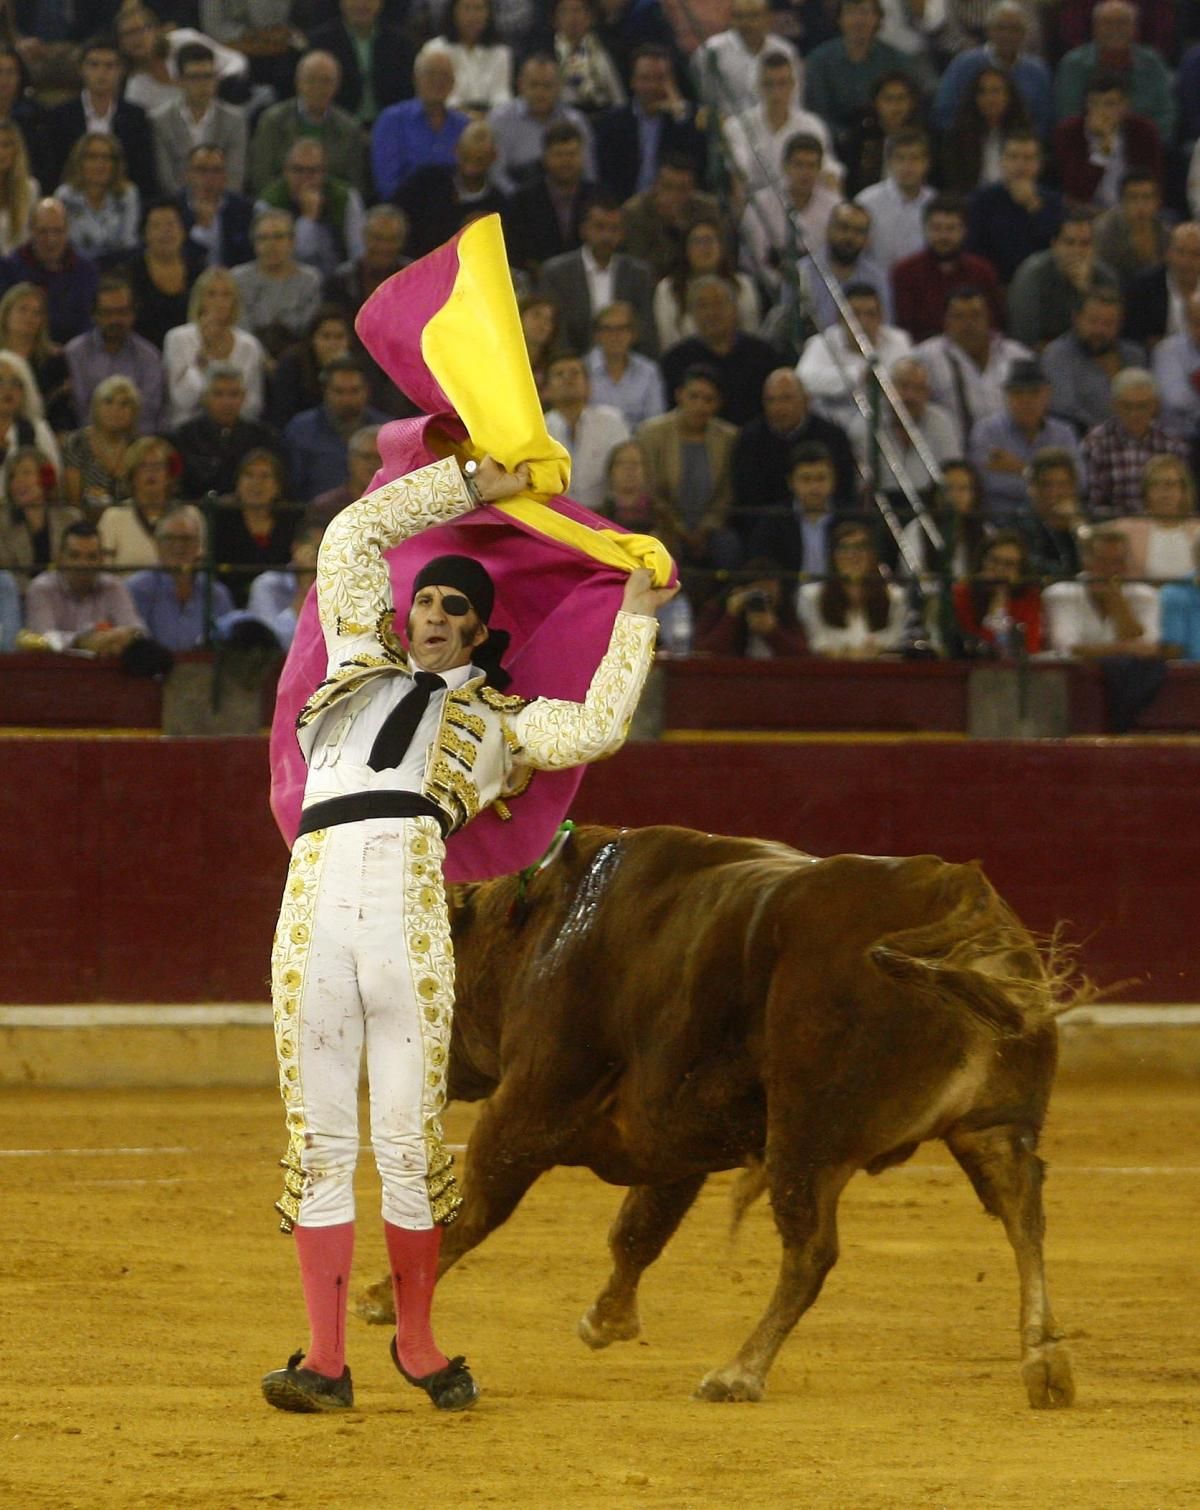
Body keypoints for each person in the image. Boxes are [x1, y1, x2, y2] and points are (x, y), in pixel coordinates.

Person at [259, 451, 669, 1416]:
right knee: (317, 1139)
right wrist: (468, 483)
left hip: (407, 910)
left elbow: (603, 724)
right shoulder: (356, 657)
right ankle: (323, 1361)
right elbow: (354, 537)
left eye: (453, 610)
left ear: (482, 632)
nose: (432, 616)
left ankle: (416, 1341)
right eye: (426, 604)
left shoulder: (506, 723)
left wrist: (640, 611)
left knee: (407, 1137)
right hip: (311, 904)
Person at [635, 363, 740, 569]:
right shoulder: (651, 434)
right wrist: (679, 529)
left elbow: (726, 493)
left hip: (711, 527)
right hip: (664, 523)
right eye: (694, 396)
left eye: (708, 399)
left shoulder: (728, 437)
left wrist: (705, 529)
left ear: (717, 404)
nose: (700, 405)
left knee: (729, 547)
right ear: (679, 395)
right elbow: (651, 490)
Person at [731, 367, 858, 536]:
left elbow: (844, 490)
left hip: (828, 526)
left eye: (786, 399)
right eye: (771, 400)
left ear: (806, 400)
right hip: (767, 527)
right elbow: (746, 496)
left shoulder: (832, 436)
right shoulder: (750, 438)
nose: (778, 407)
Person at [536, 195, 656, 357]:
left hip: (625, 366)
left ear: (622, 234)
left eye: (614, 229)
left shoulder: (639, 274)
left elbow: (645, 330)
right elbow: (556, 331)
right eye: (599, 227)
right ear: (584, 230)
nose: (607, 236)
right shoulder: (556, 273)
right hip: (571, 363)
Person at [968, 358, 1080, 525]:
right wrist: (1050, 485)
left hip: (1054, 523)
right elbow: (986, 482)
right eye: (1018, 393)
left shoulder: (1063, 433)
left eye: (1034, 392)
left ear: (1047, 394)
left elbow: (1080, 481)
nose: (1026, 401)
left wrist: (1023, 469)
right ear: (1006, 396)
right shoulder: (987, 431)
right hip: (1000, 524)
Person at [43, 34, 157, 198]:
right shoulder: (60, 116)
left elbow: (144, 174)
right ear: (81, 69)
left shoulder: (135, 117)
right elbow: (53, 171)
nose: (101, 72)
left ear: (120, 71)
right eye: (94, 65)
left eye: (109, 66)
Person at [659, 276, 779, 427]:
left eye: (719, 304)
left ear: (735, 310)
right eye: (703, 306)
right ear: (692, 314)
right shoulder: (674, 360)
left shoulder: (764, 355)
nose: (712, 313)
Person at [592, 42, 705, 202]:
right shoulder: (613, 122)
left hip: (677, 205)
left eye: (660, 78)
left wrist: (679, 116)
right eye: (645, 78)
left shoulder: (689, 118)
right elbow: (606, 177)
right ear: (632, 81)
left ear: (672, 81)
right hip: (625, 208)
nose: (652, 86)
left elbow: (695, 165)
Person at [916, 285, 1032, 441]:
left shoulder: (1018, 356)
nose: (968, 324)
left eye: (976, 315)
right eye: (959, 316)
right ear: (946, 320)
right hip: (953, 454)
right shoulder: (926, 357)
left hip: (1009, 452)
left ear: (988, 317)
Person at [1052, 0, 1175, 144]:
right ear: (1095, 28)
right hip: (1085, 148)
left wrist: (1147, 141)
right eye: (1107, 23)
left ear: (1134, 28)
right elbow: (1067, 113)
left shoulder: (1152, 62)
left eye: (1122, 23)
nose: (1115, 29)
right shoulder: (1072, 64)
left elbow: (1166, 113)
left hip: (1144, 147)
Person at [721, 49, 838, 199]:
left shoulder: (812, 125)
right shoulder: (737, 126)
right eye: (768, 84)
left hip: (802, 204)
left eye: (782, 83)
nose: (776, 92)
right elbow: (739, 177)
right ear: (756, 86)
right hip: (758, 210)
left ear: (793, 85)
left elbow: (829, 173)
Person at [248, 51, 368, 197]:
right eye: (311, 80)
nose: (318, 88)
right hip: (280, 207)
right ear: (298, 82)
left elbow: (354, 186)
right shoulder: (272, 121)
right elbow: (261, 177)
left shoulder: (350, 128)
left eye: (326, 81)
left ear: (337, 85)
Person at [738, 131, 841, 298]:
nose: (805, 173)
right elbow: (755, 259)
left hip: (819, 291)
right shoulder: (760, 204)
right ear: (785, 166)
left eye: (811, 165)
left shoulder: (833, 207)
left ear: (820, 168)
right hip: (766, 290)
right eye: (798, 165)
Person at [796, 282, 911, 430]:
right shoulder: (823, 342)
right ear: (840, 317)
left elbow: (908, 383)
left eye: (871, 314)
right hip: (834, 426)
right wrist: (858, 375)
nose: (863, 322)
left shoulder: (899, 341)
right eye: (855, 314)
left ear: (881, 316)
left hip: (886, 426)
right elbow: (803, 380)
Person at [22, 517, 145, 654]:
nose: (83, 564)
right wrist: (82, 641)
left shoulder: (113, 586)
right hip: (55, 672)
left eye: (91, 557)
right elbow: (43, 639)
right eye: (75, 556)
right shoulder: (41, 589)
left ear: (101, 560)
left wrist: (119, 636)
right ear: (60, 558)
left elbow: (138, 632)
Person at [163, 264, 267, 427]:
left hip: (236, 431)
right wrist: (204, 354)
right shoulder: (178, 339)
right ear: (200, 300)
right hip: (188, 431)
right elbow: (183, 401)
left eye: (226, 295)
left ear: (234, 301)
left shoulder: (249, 345)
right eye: (211, 294)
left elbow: (253, 405)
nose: (219, 302)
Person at [931, 0, 1053, 138]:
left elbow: (1044, 121)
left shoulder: (1037, 71)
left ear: (1024, 33)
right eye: (1000, 28)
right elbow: (943, 112)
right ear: (988, 30)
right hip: (969, 143)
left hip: (1021, 148)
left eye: (1014, 29)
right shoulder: (964, 64)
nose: (1007, 34)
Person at [891, 196, 1003, 344]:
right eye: (937, 228)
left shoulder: (982, 271)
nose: (943, 236)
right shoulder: (905, 272)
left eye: (951, 229)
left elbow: (995, 323)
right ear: (925, 229)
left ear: (964, 231)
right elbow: (904, 328)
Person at [1080, 368, 1188, 519]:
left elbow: (1183, 500)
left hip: (1162, 526)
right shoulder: (1096, 442)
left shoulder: (1172, 443)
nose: (1134, 413)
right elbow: (1092, 501)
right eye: (1127, 406)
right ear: (1115, 405)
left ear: (1155, 405)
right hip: (1113, 531)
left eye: (1142, 406)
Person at [255, 138, 366, 284]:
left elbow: (358, 253)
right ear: (286, 171)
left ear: (324, 172)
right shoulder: (269, 202)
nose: (305, 179)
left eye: (313, 171)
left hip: (339, 282)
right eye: (298, 170)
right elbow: (278, 256)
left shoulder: (346, 198)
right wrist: (308, 218)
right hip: (287, 282)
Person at [803, 0, 914, 144]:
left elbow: (908, 105)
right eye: (851, 12)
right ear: (839, 19)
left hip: (887, 140)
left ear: (878, 18)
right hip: (836, 143)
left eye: (865, 12)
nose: (858, 20)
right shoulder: (819, 61)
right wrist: (847, 138)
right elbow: (816, 114)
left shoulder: (896, 60)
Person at [64, 275, 165, 435]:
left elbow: (149, 413)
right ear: (94, 315)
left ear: (133, 313)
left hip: (136, 445)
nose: (115, 319)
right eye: (107, 313)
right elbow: (80, 409)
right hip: (88, 444)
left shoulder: (149, 356)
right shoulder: (75, 353)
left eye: (122, 312)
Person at [1006, 211, 1120, 351]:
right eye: (1069, 243)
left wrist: (1085, 290)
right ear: (1055, 244)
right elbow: (1024, 339)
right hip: (1043, 356)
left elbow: (1113, 332)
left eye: (1085, 244)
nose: (1077, 251)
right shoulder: (1032, 275)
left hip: (1095, 351)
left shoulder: (1106, 276)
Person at [128, 503, 235, 650]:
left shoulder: (216, 593)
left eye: (186, 539)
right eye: (170, 538)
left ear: (198, 546)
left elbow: (229, 644)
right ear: (157, 544)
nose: (178, 546)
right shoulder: (137, 589)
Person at [1042, 524, 1160, 656]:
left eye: (1117, 562)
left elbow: (1149, 648)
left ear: (1127, 565)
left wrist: (1116, 600)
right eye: (1102, 561)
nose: (1110, 570)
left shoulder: (1145, 595)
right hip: (1074, 674)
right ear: (1086, 562)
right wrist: (1125, 649)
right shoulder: (1060, 593)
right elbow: (1066, 649)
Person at [283, 355, 389, 502]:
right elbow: (292, 485)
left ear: (366, 391)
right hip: (317, 515)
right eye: (339, 392)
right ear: (325, 391)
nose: (347, 399)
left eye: (354, 391)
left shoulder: (387, 431)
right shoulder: (301, 430)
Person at [488, 51, 595, 194]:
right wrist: (522, 203)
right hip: (515, 201)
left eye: (547, 86)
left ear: (559, 87)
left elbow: (588, 174)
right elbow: (495, 174)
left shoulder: (576, 121)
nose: (540, 92)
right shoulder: (499, 119)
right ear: (520, 85)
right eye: (534, 85)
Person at [150, 40, 248, 197]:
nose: (203, 84)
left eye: (208, 76)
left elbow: (234, 176)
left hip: (222, 205)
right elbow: (166, 180)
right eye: (194, 77)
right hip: (179, 207)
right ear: (180, 81)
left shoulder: (234, 120)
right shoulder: (160, 120)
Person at [395, 123, 505, 262]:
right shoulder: (426, 182)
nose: (471, 167)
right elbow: (397, 215)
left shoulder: (499, 204)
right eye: (467, 157)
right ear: (456, 151)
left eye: (479, 159)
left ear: (493, 157)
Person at [1051, 75, 1162, 213]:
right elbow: (1076, 193)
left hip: (1135, 211)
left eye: (1110, 104)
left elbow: (1153, 182)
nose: (1101, 111)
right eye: (1094, 103)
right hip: (1085, 213)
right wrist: (1102, 152)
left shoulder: (1143, 131)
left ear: (1125, 105)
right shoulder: (1069, 132)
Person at [797, 518, 907, 656]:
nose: (852, 555)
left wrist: (878, 652)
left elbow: (898, 645)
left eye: (860, 547)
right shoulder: (811, 596)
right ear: (833, 556)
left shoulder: (896, 597)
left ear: (872, 555)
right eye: (844, 548)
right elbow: (814, 646)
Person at [967, 131, 1064, 288]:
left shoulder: (1053, 202)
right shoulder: (981, 201)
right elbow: (973, 252)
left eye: (1028, 158)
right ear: (1002, 161)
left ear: (1039, 164)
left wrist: (1034, 207)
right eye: (1013, 157)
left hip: (1042, 285)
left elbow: (1054, 250)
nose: (1020, 165)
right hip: (994, 284)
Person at [1042, 287, 1144, 435]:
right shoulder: (1058, 355)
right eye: (1093, 321)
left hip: (1134, 437)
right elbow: (1063, 410)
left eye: (1108, 323)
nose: (1100, 330)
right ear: (1076, 319)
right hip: (1081, 438)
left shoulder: (1134, 355)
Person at [370, 50, 469, 202]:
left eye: (444, 76)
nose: (438, 81)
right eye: (430, 74)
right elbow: (387, 185)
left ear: (453, 82)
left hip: (455, 210)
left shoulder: (464, 126)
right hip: (405, 210)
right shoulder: (392, 121)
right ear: (415, 79)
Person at [172, 363, 281, 498]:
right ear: (205, 397)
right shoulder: (184, 436)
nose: (227, 402)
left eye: (234, 394)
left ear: (243, 397)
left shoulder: (264, 437)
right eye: (218, 394)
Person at [502, 119, 597, 274]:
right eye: (559, 155)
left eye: (572, 154)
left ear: (582, 157)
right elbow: (516, 252)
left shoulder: (597, 197)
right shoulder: (522, 201)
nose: (566, 161)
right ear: (545, 157)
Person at [0, 199, 99, 345]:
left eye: (57, 231)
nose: (51, 240)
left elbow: (91, 322)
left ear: (67, 231)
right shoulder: (9, 268)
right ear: (31, 231)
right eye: (43, 231)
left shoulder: (86, 271)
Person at [653, 218, 758, 355]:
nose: (705, 248)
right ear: (685, 250)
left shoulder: (743, 285)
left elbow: (751, 331)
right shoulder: (667, 289)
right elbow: (667, 340)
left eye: (710, 240)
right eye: (697, 242)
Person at [745, 439, 848, 577]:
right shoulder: (774, 521)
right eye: (806, 479)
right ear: (791, 483)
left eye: (821, 478)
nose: (814, 488)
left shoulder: (849, 517)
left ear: (834, 480)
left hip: (835, 595)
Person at [543, 348, 630, 509]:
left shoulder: (612, 421)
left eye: (575, 373)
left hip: (605, 514)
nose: (568, 379)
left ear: (589, 386)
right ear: (546, 390)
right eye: (559, 374)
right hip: (553, 516)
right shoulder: (539, 429)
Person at [690, 0, 802, 121]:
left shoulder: (786, 51)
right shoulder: (711, 52)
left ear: (769, 18)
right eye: (739, 16)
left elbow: (794, 100)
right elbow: (705, 101)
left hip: (775, 127)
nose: (746, 23)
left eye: (754, 16)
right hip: (729, 129)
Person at [309, 0, 417, 126]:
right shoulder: (321, 42)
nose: (361, 4)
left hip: (390, 127)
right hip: (336, 128)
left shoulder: (400, 43)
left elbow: (407, 94)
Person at [232, 209, 323, 358]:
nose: (271, 245)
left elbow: (308, 329)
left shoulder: (310, 279)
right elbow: (241, 330)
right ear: (254, 243)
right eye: (263, 238)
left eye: (279, 237)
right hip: (248, 356)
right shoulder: (238, 279)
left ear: (292, 242)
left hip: (297, 358)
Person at [213, 447, 296, 606]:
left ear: (277, 487)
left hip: (278, 602)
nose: (256, 483)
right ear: (238, 483)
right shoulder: (220, 519)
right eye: (249, 475)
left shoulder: (290, 520)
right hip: (229, 601)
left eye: (265, 476)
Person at [119, 200, 206, 351]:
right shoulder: (129, 273)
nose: (165, 231)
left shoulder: (199, 271)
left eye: (171, 224)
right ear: (144, 234)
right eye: (156, 226)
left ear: (183, 230)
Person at [938, 65, 1031, 198]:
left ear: (1009, 96)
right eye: (982, 92)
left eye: (996, 91)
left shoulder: (1025, 135)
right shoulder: (957, 137)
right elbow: (955, 184)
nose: (990, 98)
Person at [854, 127, 934, 275]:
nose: (907, 166)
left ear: (926, 163)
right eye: (900, 158)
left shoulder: (935, 204)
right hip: (875, 286)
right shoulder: (866, 202)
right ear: (889, 162)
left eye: (914, 158)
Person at [0, 445, 81, 589]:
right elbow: (8, 576)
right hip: (21, 599)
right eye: (12, 476)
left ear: (46, 477)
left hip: (66, 596)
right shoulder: (2, 522)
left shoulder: (71, 518)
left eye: (26, 473)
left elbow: (78, 569)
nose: (18, 481)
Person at [951, 529, 1043, 655]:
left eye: (1009, 564)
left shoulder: (1029, 597)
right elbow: (979, 650)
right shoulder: (962, 594)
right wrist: (997, 602)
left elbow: (1029, 647)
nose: (999, 569)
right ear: (982, 561)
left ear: (1020, 571)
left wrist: (1000, 599)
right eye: (993, 561)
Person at [1110, 455, 1200, 582]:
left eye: (1170, 484)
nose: (1163, 492)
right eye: (1155, 485)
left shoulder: (1198, 530)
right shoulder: (1126, 529)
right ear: (1145, 492)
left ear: (1183, 490)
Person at [97, 435, 180, 571]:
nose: (151, 473)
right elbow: (104, 574)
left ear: (169, 474)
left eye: (157, 466)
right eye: (144, 466)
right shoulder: (114, 517)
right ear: (132, 475)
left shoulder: (189, 516)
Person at [61, 374, 140, 514]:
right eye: (108, 402)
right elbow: (73, 502)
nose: (116, 410)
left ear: (134, 412)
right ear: (96, 406)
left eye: (124, 404)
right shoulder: (77, 442)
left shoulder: (137, 446)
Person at [414, 0, 510, 115]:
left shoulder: (500, 52)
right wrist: (470, 117)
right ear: (453, 12)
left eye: (479, 9)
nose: (473, 16)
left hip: (490, 121)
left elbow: (501, 95)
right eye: (467, 8)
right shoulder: (436, 49)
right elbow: (438, 96)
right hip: (446, 118)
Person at [693, 560, 807, 655]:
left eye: (769, 597)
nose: (763, 602)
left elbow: (803, 655)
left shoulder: (785, 611)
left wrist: (773, 631)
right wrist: (731, 616)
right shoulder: (717, 608)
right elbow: (705, 653)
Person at [584, 300, 666, 428]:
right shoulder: (581, 369)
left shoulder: (649, 371)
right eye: (608, 329)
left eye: (622, 329)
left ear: (633, 334)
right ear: (597, 335)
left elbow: (655, 421)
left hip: (639, 444)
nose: (615, 336)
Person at [0, 282, 71, 430]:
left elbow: (60, 411)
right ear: (6, 314)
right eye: (23, 309)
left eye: (37, 312)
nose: (29, 317)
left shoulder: (54, 360)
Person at [245, 519, 324, 648]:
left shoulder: (339, 586)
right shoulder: (267, 585)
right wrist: (305, 591)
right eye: (317, 550)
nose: (323, 558)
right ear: (296, 548)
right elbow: (273, 644)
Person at [175, 143, 255, 270]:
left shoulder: (243, 209)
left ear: (225, 176)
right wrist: (201, 229)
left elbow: (247, 257)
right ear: (188, 174)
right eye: (201, 170)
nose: (209, 177)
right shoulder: (174, 208)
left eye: (216, 171)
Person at [1123, 222, 1200, 349]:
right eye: (1181, 252)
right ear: (1168, 253)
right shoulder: (1143, 286)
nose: (1186, 261)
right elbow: (1132, 334)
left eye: (1195, 254)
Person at [325, 204, 410, 313]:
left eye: (392, 239)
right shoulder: (341, 280)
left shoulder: (415, 278)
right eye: (377, 238)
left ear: (402, 241)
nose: (384, 247)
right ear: (364, 236)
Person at [1092, 171, 1168, 287]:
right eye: (1133, 198)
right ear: (1121, 202)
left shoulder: (1164, 231)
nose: (1140, 205)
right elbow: (1100, 275)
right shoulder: (1104, 231)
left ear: (1157, 201)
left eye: (1147, 197)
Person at [1020, 447, 1085, 576]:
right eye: (1046, 485)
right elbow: (1037, 568)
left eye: (1062, 485)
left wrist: (1076, 528)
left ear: (1073, 487)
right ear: (1032, 488)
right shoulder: (1019, 525)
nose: (1054, 493)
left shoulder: (1086, 523)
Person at [553, 0, 625, 115]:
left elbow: (618, 96)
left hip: (602, 113)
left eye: (577, 11)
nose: (572, 17)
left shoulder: (605, 49)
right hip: (562, 118)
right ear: (556, 20)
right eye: (565, 11)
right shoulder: (549, 54)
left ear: (589, 17)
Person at [309, 424, 382, 526]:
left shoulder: (401, 504)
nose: (373, 464)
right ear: (351, 460)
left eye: (380, 458)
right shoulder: (327, 506)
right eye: (366, 457)